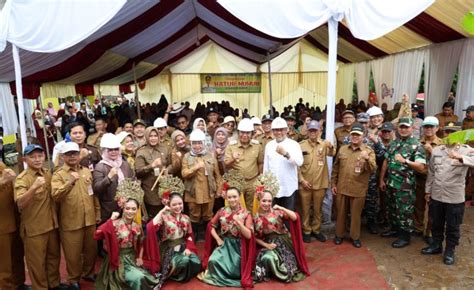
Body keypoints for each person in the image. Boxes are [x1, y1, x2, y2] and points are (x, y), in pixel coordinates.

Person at [422, 126, 474, 265]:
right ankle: (436, 245)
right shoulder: (438, 150)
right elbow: (431, 172)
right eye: (447, 132)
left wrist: (461, 158)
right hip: (437, 194)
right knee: (436, 222)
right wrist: (428, 191)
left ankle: (450, 250)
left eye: (453, 132)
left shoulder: (467, 150)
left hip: (454, 197)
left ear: (459, 134)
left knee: (453, 225)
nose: (450, 135)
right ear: (443, 134)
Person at [14, 144, 63, 290]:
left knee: (54, 259)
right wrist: (34, 188)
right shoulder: (22, 179)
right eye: (32, 156)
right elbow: (20, 204)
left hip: (52, 225)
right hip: (34, 229)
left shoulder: (48, 173)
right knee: (37, 264)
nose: (37, 159)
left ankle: (54, 285)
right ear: (25, 159)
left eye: (40, 156)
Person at [51, 142, 99, 289]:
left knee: (91, 250)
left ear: (79, 155)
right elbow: (55, 196)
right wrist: (70, 182)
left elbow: (92, 193)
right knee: (72, 254)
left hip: (89, 219)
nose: (72, 156)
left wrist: (97, 212)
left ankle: (88, 273)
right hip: (70, 221)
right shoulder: (58, 175)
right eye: (69, 154)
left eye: (75, 153)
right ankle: (73, 279)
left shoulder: (86, 171)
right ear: (63, 156)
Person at [379, 118, 426, 248]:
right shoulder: (395, 143)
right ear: (397, 129)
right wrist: (382, 179)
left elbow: (421, 167)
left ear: (412, 128)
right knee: (392, 208)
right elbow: (386, 161)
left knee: (404, 211)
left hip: (405, 186)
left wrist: (406, 161)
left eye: (406, 127)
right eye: (401, 127)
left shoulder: (417, 145)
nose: (404, 130)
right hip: (391, 183)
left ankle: (405, 236)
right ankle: (395, 230)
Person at [94, 198, 159, 289]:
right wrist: (110, 219)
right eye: (127, 208)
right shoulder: (114, 224)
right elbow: (97, 235)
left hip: (132, 258)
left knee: (145, 278)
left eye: (133, 209)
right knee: (138, 278)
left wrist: (139, 257)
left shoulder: (137, 226)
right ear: (123, 209)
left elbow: (141, 243)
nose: (130, 211)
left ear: (137, 210)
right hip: (117, 258)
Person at [198, 187, 255, 288]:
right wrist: (218, 239)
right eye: (229, 197)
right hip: (224, 244)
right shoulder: (222, 211)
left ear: (239, 197)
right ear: (226, 198)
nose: (232, 200)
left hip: (238, 247)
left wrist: (239, 224)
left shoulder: (246, 214)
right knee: (213, 261)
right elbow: (210, 226)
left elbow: (249, 235)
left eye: (234, 197)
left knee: (234, 270)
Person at [144, 192, 201, 289]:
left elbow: (189, 236)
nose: (178, 206)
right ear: (169, 205)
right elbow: (150, 228)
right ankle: (175, 274)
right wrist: (162, 211)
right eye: (174, 204)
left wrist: (188, 248)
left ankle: (180, 272)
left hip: (182, 247)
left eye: (180, 203)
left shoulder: (186, 218)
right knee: (184, 261)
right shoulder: (164, 217)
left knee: (197, 262)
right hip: (168, 249)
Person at [332, 124, 376, 248]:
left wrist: (367, 159)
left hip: (358, 189)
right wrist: (333, 183)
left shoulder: (368, 151)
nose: (355, 137)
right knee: (341, 213)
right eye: (353, 134)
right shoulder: (343, 149)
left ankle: (355, 237)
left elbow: (372, 170)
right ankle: (339, 235)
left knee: (356, 215)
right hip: (342, 187)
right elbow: (335, 168)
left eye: (358, 135)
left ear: (363, 136)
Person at [253, 190, 309, 282]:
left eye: (269, 201)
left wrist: (281, 207)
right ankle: (272, 270)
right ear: (259, 200)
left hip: (285, 243)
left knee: (288, 271)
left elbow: (295, 217)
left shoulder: (277, 212)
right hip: (269, 245)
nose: (267, 203)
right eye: (264, 201)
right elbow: (255, 237)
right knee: (267, 258)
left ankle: (278, 271)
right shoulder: (256, 218)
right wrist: (266, 245)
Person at [298, 120, 335, 243]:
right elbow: (296, 166)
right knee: (305, 209)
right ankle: (306, 231)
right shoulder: (301, 145)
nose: (313, 132)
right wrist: (301, 180)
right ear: (307, 131)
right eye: (311, 130)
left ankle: (316, 230)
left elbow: (332, 154)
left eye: (315, 130)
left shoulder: (324, 144)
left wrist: (331, 146)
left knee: (318, 209)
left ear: (320, 131)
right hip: (305, 183)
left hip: (320, 183)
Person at [182, 129, 222, 241]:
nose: (197, 146)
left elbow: (217, 175)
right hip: (192, 193)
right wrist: (195, 168)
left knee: (208, 215)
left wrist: (219, 189)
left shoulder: (210, 156)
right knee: (194, 215)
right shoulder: (187, 157)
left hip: (208, 192)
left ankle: (208, 237)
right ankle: (193, 237)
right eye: (194, 143)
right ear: (191, 144)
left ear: (204, 143)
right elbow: (184, 173)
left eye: (199, 142)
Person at [0, 161, 31, 290]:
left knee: (17, 255)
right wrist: (2, 181)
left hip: (13, 219)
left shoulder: (1, 164)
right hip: (1, 226)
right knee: (4, 263)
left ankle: (19, 283)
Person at [263, 117, 303, 211]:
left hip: (289, 187)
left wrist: (286, 154)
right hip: (273, 188)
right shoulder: (269, 145)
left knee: (288, 217)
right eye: (276, 130)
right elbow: (266, 167)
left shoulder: (294, 144)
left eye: (281, 130)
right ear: (272, 131)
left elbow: (299, 162)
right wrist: (265, 185)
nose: (279, 132)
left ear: (286, 130)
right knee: (273, 217)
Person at [93, 133, 135, 223]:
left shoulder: (125, 164)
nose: (114, 152)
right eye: (110, 150)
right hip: (108, 210)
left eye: (116, 149)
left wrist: (129, 198)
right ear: (105, 151)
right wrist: (108, 177)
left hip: (127, 209)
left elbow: (133, 182)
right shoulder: (100, 166)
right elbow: (96, 189)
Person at [413, 117, 443, 241]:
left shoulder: (442, 144)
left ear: (437, 128)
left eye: (432, 126)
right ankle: (418, 228)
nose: (429, 129)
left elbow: (443, 163)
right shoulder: (417, 142)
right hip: (419, 178)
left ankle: (430, 232)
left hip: (435, 180)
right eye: (426, 127)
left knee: (433, 208)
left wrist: (432, 151)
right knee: (418, 205)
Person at [225, 118, 264, 211]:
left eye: (248, 133)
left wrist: (260, 180)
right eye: (242, 132)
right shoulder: (231, 146)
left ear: (252, 133)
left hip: (252, 181)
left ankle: (250, 225)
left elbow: (260, 163)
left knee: (252, 207)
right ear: (238, 132)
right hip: (236, 182)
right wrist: (232, 159)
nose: (245, 135)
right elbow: (226, 164)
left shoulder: (257, 146)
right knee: (237, 206)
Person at [135, 127, 172, 217]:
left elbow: (171, 163)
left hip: (165, 189)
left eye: (155, 136)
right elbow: (138, 172)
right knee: (155, 217)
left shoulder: (165, 148)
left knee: (168, 215)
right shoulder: (141, 152)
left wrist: (167, 171)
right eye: (150, 136)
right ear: (147, 137)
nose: (153, 138)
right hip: (151, 191)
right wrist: (151, 166)